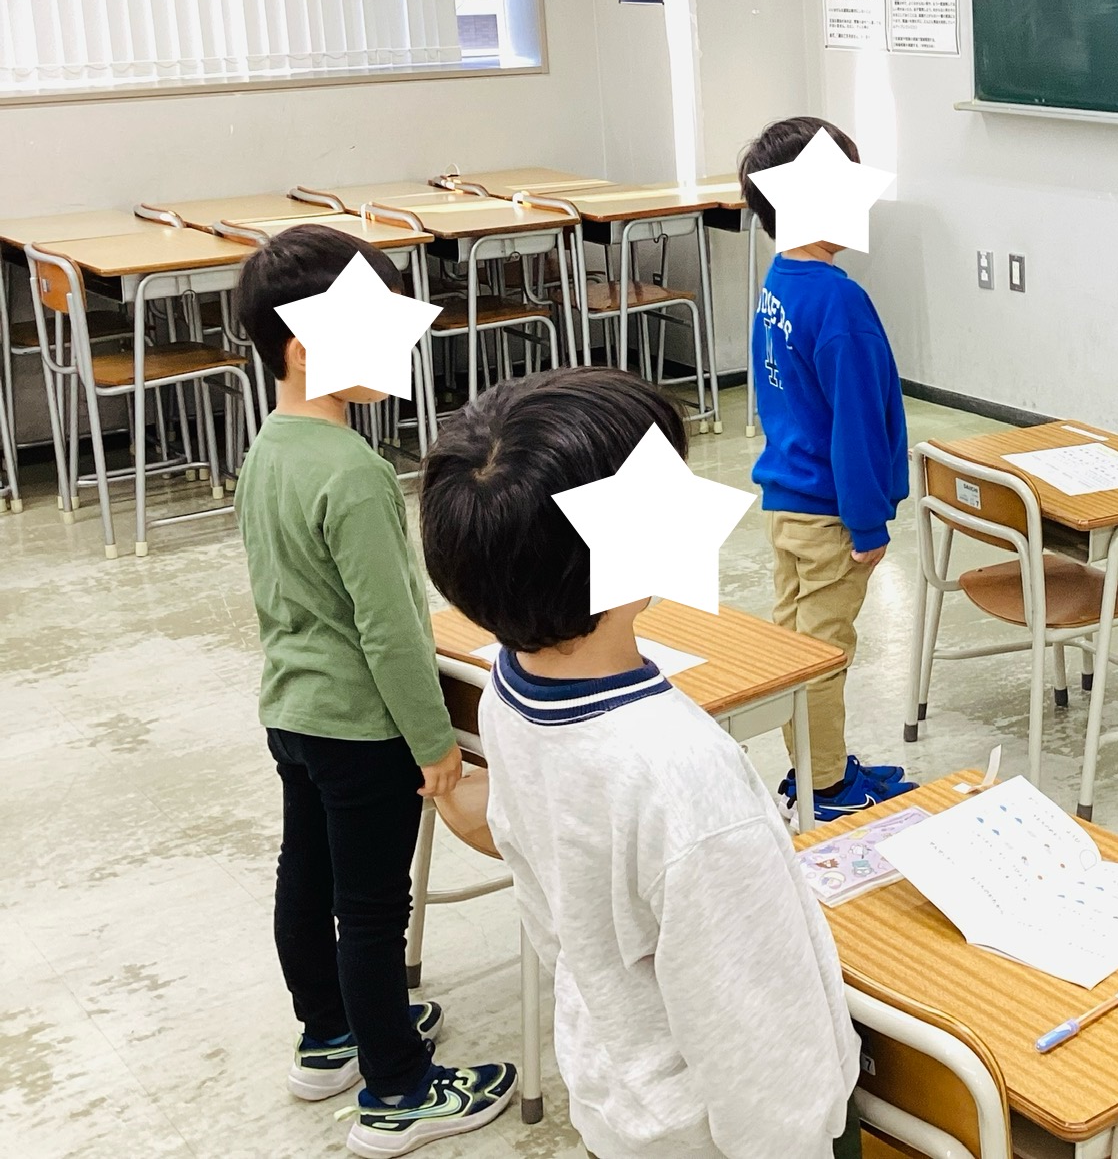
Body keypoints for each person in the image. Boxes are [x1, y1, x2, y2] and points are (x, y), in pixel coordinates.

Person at [418, 368, 860, 1159]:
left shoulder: (506, 692)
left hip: (618, 1093)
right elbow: (760, 1049)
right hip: (717, 1136)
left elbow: (548, 906)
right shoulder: (684, 778)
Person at [233, 224, 516, 1156]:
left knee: (306, 877)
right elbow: (391, 632)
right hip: (362, 729)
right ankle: (397, 1089)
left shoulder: (269, 450)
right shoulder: (354, 473)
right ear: (304, 346)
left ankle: (330, 1038)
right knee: (370, 909)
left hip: (293, 712)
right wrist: (435, 744)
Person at [739, 116, 914, 820]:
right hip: (830, 512)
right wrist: (868, 523)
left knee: (797, 646)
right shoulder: (840, 302)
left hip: (788, 499)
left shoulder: (780, 280)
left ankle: (817, 769)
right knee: (822, 655)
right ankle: (828, 792)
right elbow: (856, 426)